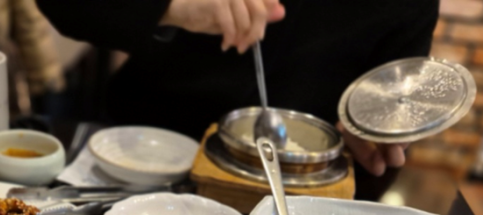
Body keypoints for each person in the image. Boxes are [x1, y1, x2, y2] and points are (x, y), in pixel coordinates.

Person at [36, 0, 439, 178]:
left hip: (303, 187)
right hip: (143, 148)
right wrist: (170, 7)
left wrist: (378, 128)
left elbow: (395, 96)